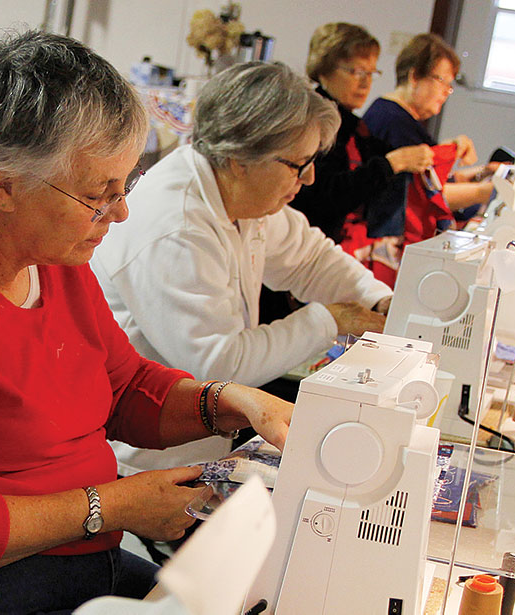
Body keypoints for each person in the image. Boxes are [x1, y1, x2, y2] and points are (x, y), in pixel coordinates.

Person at [0, 30, 291, 614]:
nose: (122, 210)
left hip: (77, 555)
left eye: (124, 185)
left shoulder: (43, 247)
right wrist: (111, 506)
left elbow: (122, 387)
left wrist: (235, 402)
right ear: (3, 186)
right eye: (98, 194)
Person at [90, 61, 392, 476]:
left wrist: (380, 300)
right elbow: (218, 365)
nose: (308, 179)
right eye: (298, 164)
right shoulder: (175, 225)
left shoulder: (246, 195)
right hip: (147, 466)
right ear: (239, 157)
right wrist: (330, 321)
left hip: (202, 443)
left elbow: (310, 258)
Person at [290, 22, 433, 252]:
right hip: (303, 246)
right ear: (324, 70)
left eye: (371, 73)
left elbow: (380, 156)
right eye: (356, 72)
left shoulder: (351, 124)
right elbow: (327, 195)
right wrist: (394, 163)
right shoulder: (313, 121)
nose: (366, 83)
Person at [363, 33, 499, 252]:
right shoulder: (394, 123)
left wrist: (480, 173)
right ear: (415, 76)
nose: (447, 92)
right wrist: (488, 191)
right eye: (442, 81)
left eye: (450, 86)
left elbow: (430, 181)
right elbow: (427, 196)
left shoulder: (396, 116)